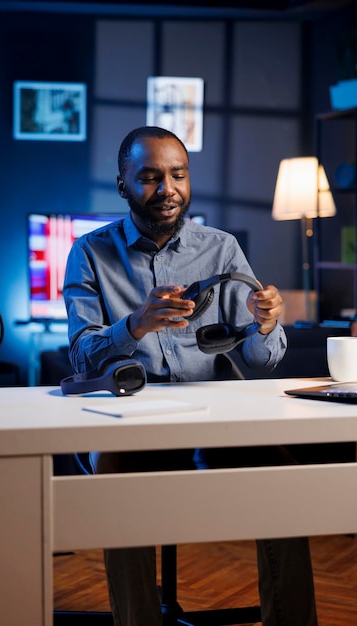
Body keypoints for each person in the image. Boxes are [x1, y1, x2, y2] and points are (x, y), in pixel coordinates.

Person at [63, 126, 318, 626]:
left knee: (288, 481)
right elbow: (80, 356)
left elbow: (263, 360)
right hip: (125, 421)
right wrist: (135, 325)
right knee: (120, 488)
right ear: (123, 186)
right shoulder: (89, 252)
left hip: (215, 421)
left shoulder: (221, 249)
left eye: (177, 174)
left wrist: (266, 325)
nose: (168, 189)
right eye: (150, 177)